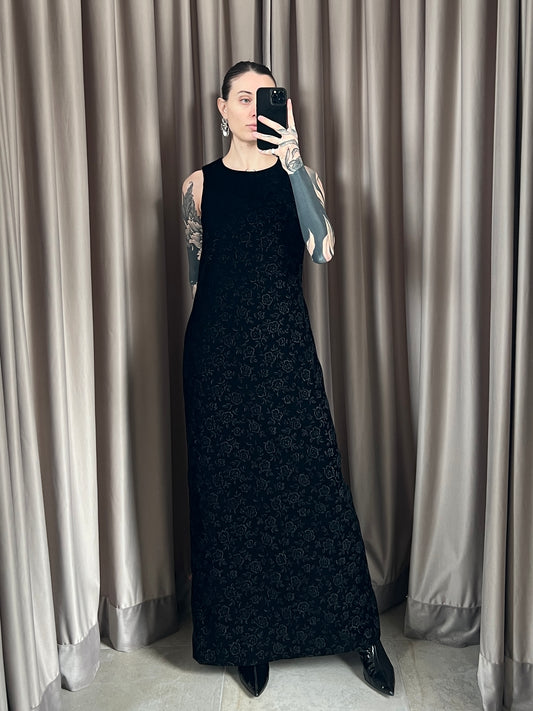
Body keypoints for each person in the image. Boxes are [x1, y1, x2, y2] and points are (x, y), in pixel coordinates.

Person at [181, 60, 395, 699]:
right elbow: (197, 278)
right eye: (242, 98)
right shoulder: (197, 186)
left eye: (264, 98)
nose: (253, 108)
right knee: (231, 498)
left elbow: (323, 250)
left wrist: (294, 161)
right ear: (221, 109)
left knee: (315, 487)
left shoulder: (300, 177)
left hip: (285, 355)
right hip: (216, 360)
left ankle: (361, 634)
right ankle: (246, 640)